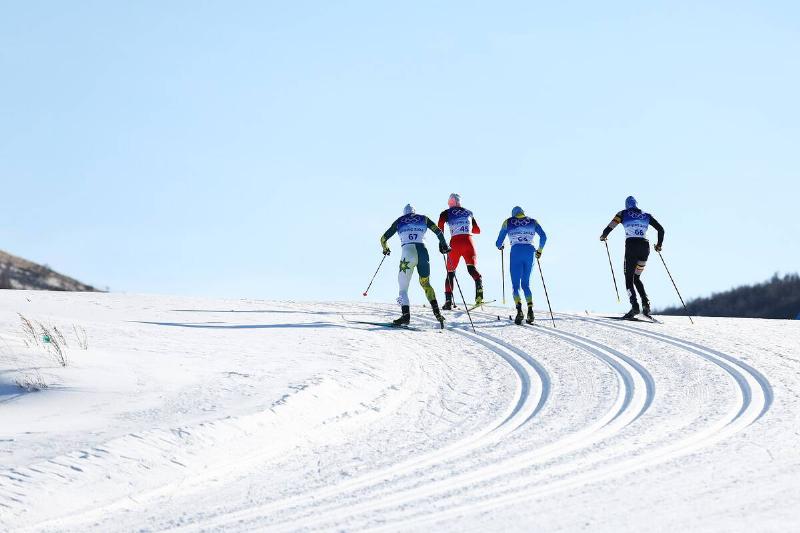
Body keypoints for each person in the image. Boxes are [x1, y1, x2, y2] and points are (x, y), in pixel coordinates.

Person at [381, 204, 451, 327]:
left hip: (407, 253)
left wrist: (386, 249)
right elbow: (438, 232)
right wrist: (444, 245)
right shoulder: (423, 218)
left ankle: (405, 316)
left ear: (404, 213)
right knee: (426, 284)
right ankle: (437, 313)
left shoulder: (399, 221)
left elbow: (383, 238)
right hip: (423, 252)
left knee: (403, 288)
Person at [600, 196, 665, 319]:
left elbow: (610, 226)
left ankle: (634, 306)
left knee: (629, 278)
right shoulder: (647, 215)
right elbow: (661, 230)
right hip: (645, 248)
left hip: (632, 247)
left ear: (626, 205)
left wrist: (604, 236)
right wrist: (659, 245)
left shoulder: (623, 213)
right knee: (637, 277)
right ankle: (646, 304)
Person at [496, 206, 547, 325]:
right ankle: (530, 310)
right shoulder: (533, 221)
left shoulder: (508, 222)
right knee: (526, 284)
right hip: (530, 251)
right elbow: (544, 236)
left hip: (516, 251)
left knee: (515, 285)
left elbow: (498, 242)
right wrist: (539, 250)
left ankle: (519, 310)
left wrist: (500, 246)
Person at [437, 193, 483, 310]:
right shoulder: (469, 212)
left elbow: (440, 226)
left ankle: (448, 302)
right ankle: (479, 294)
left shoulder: (445, 213)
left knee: (450, 273)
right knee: (472, 269)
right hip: (468, 241)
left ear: (449, 203)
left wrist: (441, 242)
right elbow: (477, 230)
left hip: (455, 242)